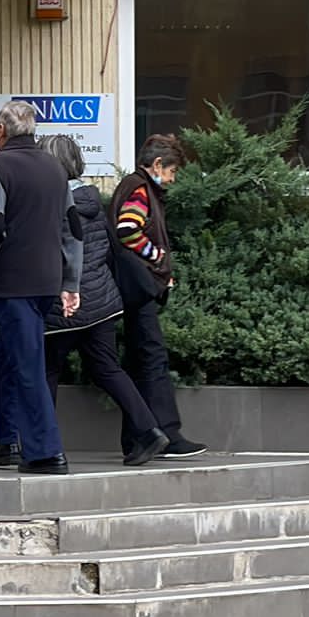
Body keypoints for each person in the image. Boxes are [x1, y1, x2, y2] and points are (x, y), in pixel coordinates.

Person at [38, 135, 170, 466]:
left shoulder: (50, 204)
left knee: (47, 370)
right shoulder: (92, 199)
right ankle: (149, 431)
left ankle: (44, 446)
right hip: (102, 301)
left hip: (65, 302)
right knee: (108, 368)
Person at [0, 100, 81, 475]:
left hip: (11, 282)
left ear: (1, 130)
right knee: (5, 360)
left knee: (27, 366)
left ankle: (46, 452)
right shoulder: (55, 168)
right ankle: (7, 440)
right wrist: (71, 281)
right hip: (47, 281)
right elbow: (72, 228)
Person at [110, 134, 207, 459]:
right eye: (171, 171)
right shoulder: (140, 189)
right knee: (152, 359)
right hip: (139, 290)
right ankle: (167, 434)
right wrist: (157, 258)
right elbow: (128, 230)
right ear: (157, 165)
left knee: (139, 361)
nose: (172, 179)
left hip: (131, 288)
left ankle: (139, 437)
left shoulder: (135, 186)